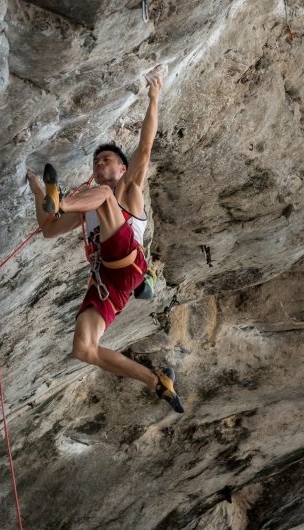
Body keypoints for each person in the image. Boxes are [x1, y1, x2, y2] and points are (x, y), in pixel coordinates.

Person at [26, 66, 183, 413]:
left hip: (129, 262)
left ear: (122, 169)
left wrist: (154, 96)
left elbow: (146, 144)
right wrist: (35, 186)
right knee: (84, 348)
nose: (99, 165)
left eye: (106, 160)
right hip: (111, 283)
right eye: (96, 163)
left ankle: (59, 199)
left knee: (104, 197)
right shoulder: (90, 207)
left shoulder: (127, 189)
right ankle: (157, 382)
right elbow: (49, 230)